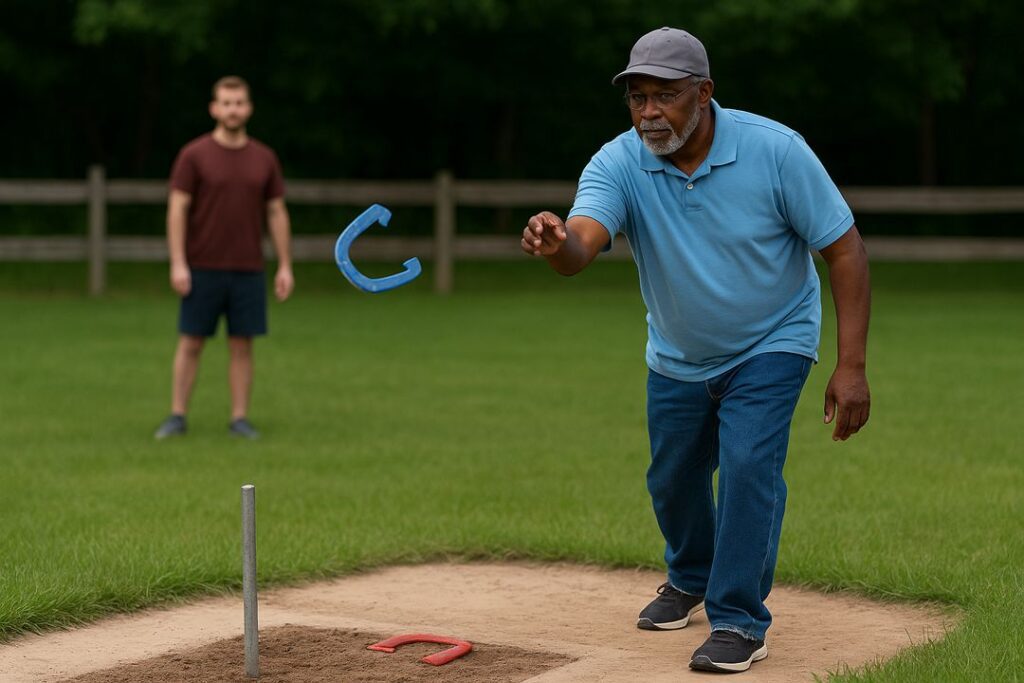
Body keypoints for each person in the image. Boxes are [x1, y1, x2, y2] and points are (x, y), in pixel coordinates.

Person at [521, 27, 870, 673]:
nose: (650, 112)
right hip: (679, 353)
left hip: (774, 338)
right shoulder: (619, 161)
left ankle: (738, 620)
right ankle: (690, 577)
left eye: (666, 96)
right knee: (673, 478)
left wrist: (851, 366)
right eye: (637, 98)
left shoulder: (775, 150)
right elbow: (582, 244)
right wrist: (555, 241)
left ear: (704, 93)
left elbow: (844, 248)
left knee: (746, 467)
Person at [154, 75, 293, 440]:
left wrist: (285, 264)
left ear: (248, 108)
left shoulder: (264, 158)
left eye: (239, 103)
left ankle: (239, 419)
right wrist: (178, 262)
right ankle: (177, 416)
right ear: (214, 108)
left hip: (248, 268)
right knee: (191, 342)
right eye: (226, 103)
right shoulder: (194, 155)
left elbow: (276, 211)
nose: (233, 110)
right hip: (201, 267)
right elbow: (177, 209)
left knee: (242, 345)